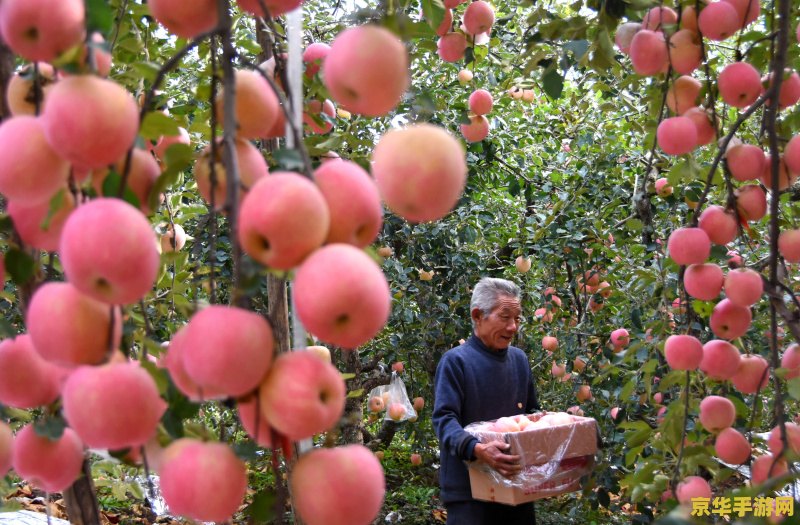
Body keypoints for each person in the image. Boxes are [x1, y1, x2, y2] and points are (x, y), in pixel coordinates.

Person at [432, 277, 539, 525]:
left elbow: (532, 415)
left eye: (517, 319)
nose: (513, 327)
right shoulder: (455, 362)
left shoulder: (519, 360)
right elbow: (444, 420)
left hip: (515, 487)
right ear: (478, 315)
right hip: (470, 495)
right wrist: (477, 450)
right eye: (505, 317)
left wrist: (559, 423)